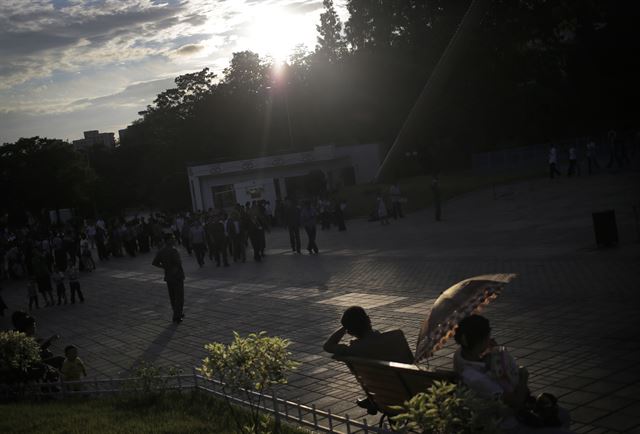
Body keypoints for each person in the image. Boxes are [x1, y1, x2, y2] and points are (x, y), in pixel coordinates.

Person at [453, 315, 572, 433]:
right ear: (482, 340)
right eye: (488, 336)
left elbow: (481, 363)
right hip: (507, 426)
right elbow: (516, 402)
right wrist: (524, 377)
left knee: (563, 415)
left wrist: (493, 355)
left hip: (507, 415)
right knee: (562, 423)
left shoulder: (461, 355)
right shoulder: (476, 378)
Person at [323, 306, 414, 414]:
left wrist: (344, 327)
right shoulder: (396, 337)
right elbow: (410, 360)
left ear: (350, 331)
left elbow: (328, 346)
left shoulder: (353, 349)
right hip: (412, 391)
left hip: (383, 396)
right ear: (369, 320)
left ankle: (371, 402)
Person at [153, 234, 185, 324]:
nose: (174, 240)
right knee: (179, 297)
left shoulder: (161, 251)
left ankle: (177, 312)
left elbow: (154, 263)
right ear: (168, 240)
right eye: (172, 239)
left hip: (168, 276)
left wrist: (164, 266)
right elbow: (178, 263)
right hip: (177, 276)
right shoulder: (173, 250)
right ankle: (177, 316)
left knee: (173, 297)